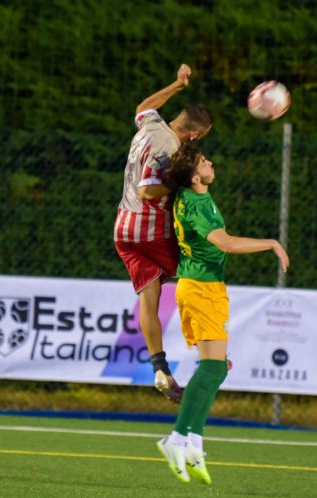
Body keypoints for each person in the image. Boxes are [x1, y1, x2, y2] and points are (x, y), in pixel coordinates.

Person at [156, 142, 290, 484]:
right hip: (202, 289)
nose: (210, 163)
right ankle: (177, 440)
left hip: (200, 287)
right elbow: (226, 243)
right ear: (194, 176)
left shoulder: (188, 196)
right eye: (204, 161)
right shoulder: (197, 203)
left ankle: (194, 443)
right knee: (213, 368)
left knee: (217, 369)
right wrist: (272, 243)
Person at [114, 64, 213, 403]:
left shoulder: (152, 124)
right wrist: (177, 182)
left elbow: (143, 107)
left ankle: (160, 368)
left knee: (149, 298)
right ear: (194, 135)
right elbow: (147, 191)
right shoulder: (169, 148)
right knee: (197, 272)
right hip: (149, 228)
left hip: (123, 228)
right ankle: (211, 353)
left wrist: (176, 85)